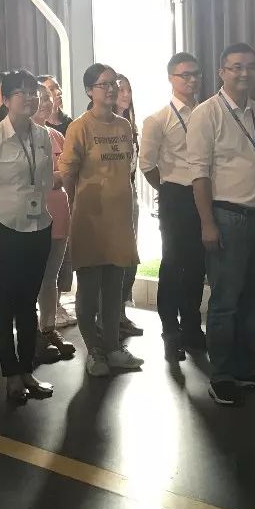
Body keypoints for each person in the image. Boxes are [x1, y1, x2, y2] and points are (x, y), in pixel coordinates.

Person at [186, 43, 255, 406]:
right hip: (227, 217)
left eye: (251, 66)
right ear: (222, 72)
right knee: (226, 300)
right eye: (236, 67)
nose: (244, 73)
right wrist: (207, 224)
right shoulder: (207, 113)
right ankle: (222, 375)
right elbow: (199, 175)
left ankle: (248, 367)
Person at [0, 70, 57, 403]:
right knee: (5, 304)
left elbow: (45, 181)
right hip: (2, 229)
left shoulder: (43, 135)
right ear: (5, 99)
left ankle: (27, 370)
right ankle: (11, 375)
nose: (30, 98)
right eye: (21, 92)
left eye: (34, 92)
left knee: (28, 304)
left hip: (38, 227)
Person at [58, 63, 143, 377]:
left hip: (119, 219)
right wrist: (75, 207)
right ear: (89, 91)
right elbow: (68, 173)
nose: (111, 89)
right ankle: (94, 351)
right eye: (103, 84)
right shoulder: (80, 127)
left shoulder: (123, 126)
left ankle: (112, 347)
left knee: (114, 288)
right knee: (89, 289)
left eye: (114, 83)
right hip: (90, 219)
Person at [140, 52, 206, 361]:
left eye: (196, 74)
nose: (192, 80)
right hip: (175, 196)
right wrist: (168, 190)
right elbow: (146, 165)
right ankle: (171, 331)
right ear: (171, 79)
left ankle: (192, 328)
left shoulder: (208, 113)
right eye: (184, 75)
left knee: (197, 266)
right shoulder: (158, 119)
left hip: (205, 195)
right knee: (173, 265)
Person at [33, 82, 76, 363]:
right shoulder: (16, 137)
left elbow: (68, 174)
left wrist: (50, 177)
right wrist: (53, 177)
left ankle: (47, 328)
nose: (46, 102)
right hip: (29, 217)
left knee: (51, 278)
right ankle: (30, 332)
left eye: (48, 98)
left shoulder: (56, 135)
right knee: (30, 278)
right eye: (39, 97)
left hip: (59, 212)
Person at [114, 73, 143, 336]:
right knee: (113, 257)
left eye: (128, 90)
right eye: (120, 89)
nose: (125, 94)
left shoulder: (130, 124)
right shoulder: (103, 125)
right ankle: (107, 315)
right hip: (110, 197)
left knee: (130, 257)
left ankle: (121, 311)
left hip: (129, 193)